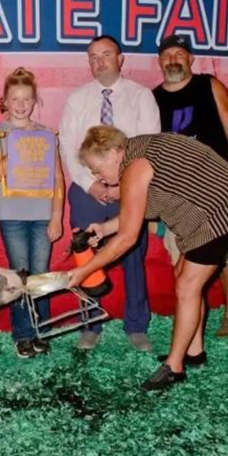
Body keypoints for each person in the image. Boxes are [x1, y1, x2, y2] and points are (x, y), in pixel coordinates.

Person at [67, 126, 228, 390]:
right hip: (209, 214)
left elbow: (128, 237)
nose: (96, 176)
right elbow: (134, 214)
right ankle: (194, 353)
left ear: (116, 152)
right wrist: (104, 229)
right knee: (184, 279)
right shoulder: (138, 152)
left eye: (97, 168)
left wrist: (85, 270)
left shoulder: (135, 167)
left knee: (187, 286)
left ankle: (174, 367)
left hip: (219, 215)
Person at [59, 35, 161, 352]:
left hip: (131, 187)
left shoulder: (141, 96)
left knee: (132, 254)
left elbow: (150, 144)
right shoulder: (77, 99)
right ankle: (90, 324)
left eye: (105, 54)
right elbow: (68, 147)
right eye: (92, 56)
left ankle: (137, 325)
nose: (99, 61)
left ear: (120, 58)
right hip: (86, 189)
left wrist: (123, 186)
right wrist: (90, 183)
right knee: (85, 251)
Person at [153, 34, 228, 337]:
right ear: (159, 61)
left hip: (217, 187)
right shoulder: (152, 98)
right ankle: (190, 323)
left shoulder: (210, 85)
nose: (173, 60)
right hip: (178, 194)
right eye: (167, 55)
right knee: (180, 257)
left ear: (191, 59)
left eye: (179, 54)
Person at [0, 67, 65, 359]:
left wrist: (57, 215)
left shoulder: (46, 134)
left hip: (43, 212)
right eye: (15, 99)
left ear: (35, 101)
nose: (21, 105)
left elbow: (57, 177)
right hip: (11, 214)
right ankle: (23, 334)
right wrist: (13, 152)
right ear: (5, 101)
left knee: (41, 274)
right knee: (20, 273)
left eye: (26, 99)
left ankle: (41, 330)